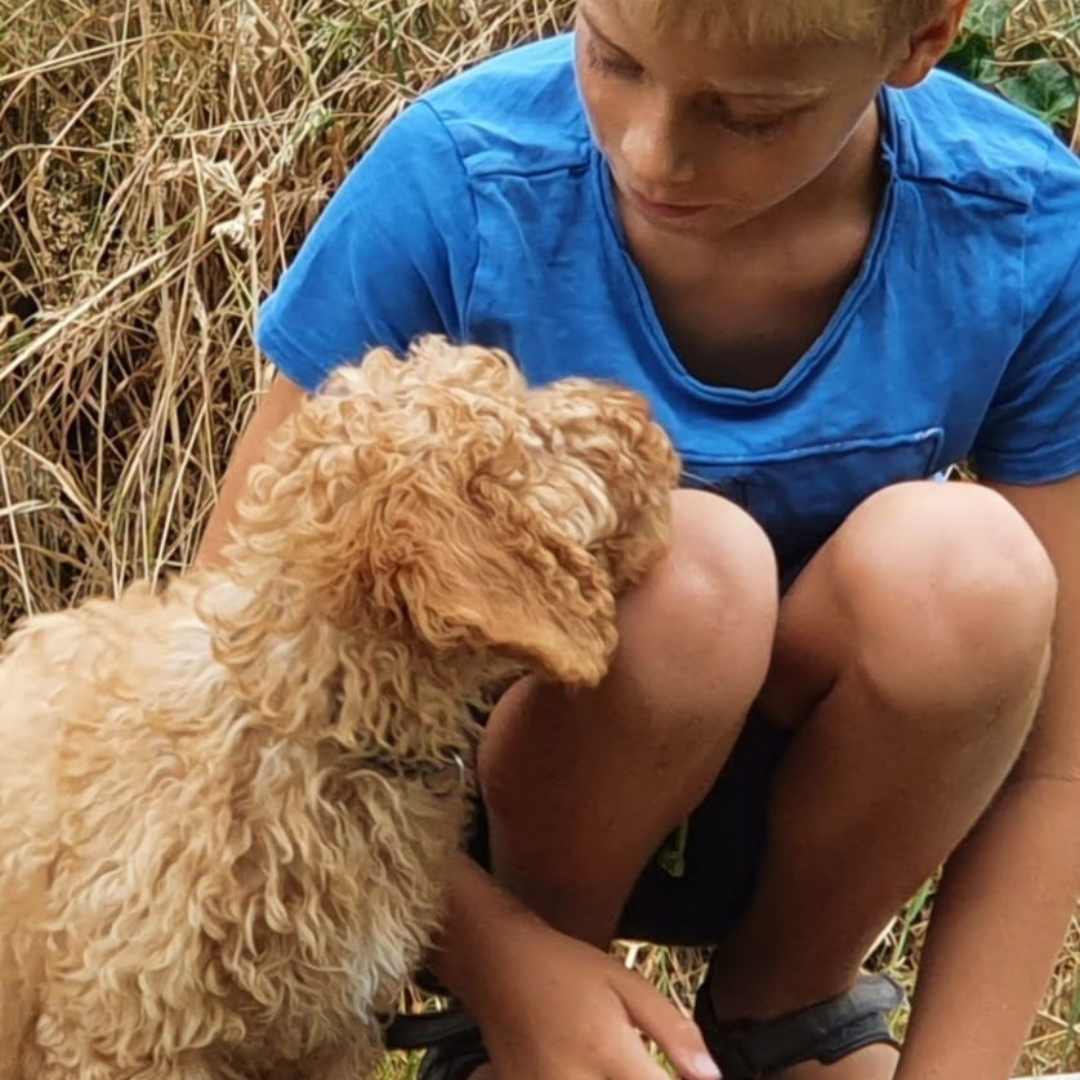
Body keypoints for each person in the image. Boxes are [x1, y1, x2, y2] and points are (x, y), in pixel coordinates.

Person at [196, 0, 1080, 1077]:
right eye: (610, 58)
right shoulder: (464, 181)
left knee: (970, 575)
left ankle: (783, 1020)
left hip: (805, 816)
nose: (652, 150)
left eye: (752, 115)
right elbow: (234, 675)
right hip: (468, 837)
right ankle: (511, 1039)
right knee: (692, 575)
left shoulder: (1022, 220)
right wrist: (504, 965)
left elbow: (1054, 767)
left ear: (922, 40)